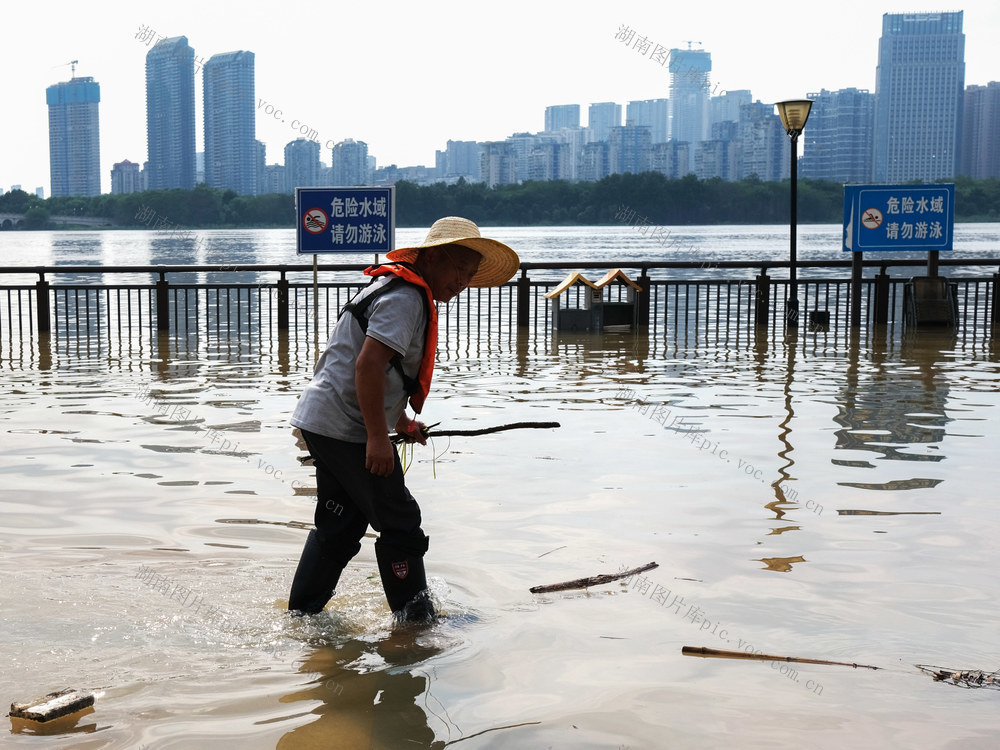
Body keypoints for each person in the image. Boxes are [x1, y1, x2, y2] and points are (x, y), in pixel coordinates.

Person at [287, 216, 520, 622]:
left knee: (339, 527)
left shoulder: (400, 290)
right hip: (346, 428)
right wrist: (377, 440)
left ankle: (302, 618)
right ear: (431, 258)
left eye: (470, 274)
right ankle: (417, 627)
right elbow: (367, 367)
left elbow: (375, 370)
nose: (463, 281)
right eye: (458, 269)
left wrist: (399, 424)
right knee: (401, 523)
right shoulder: (406, 298)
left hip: (325, 421)